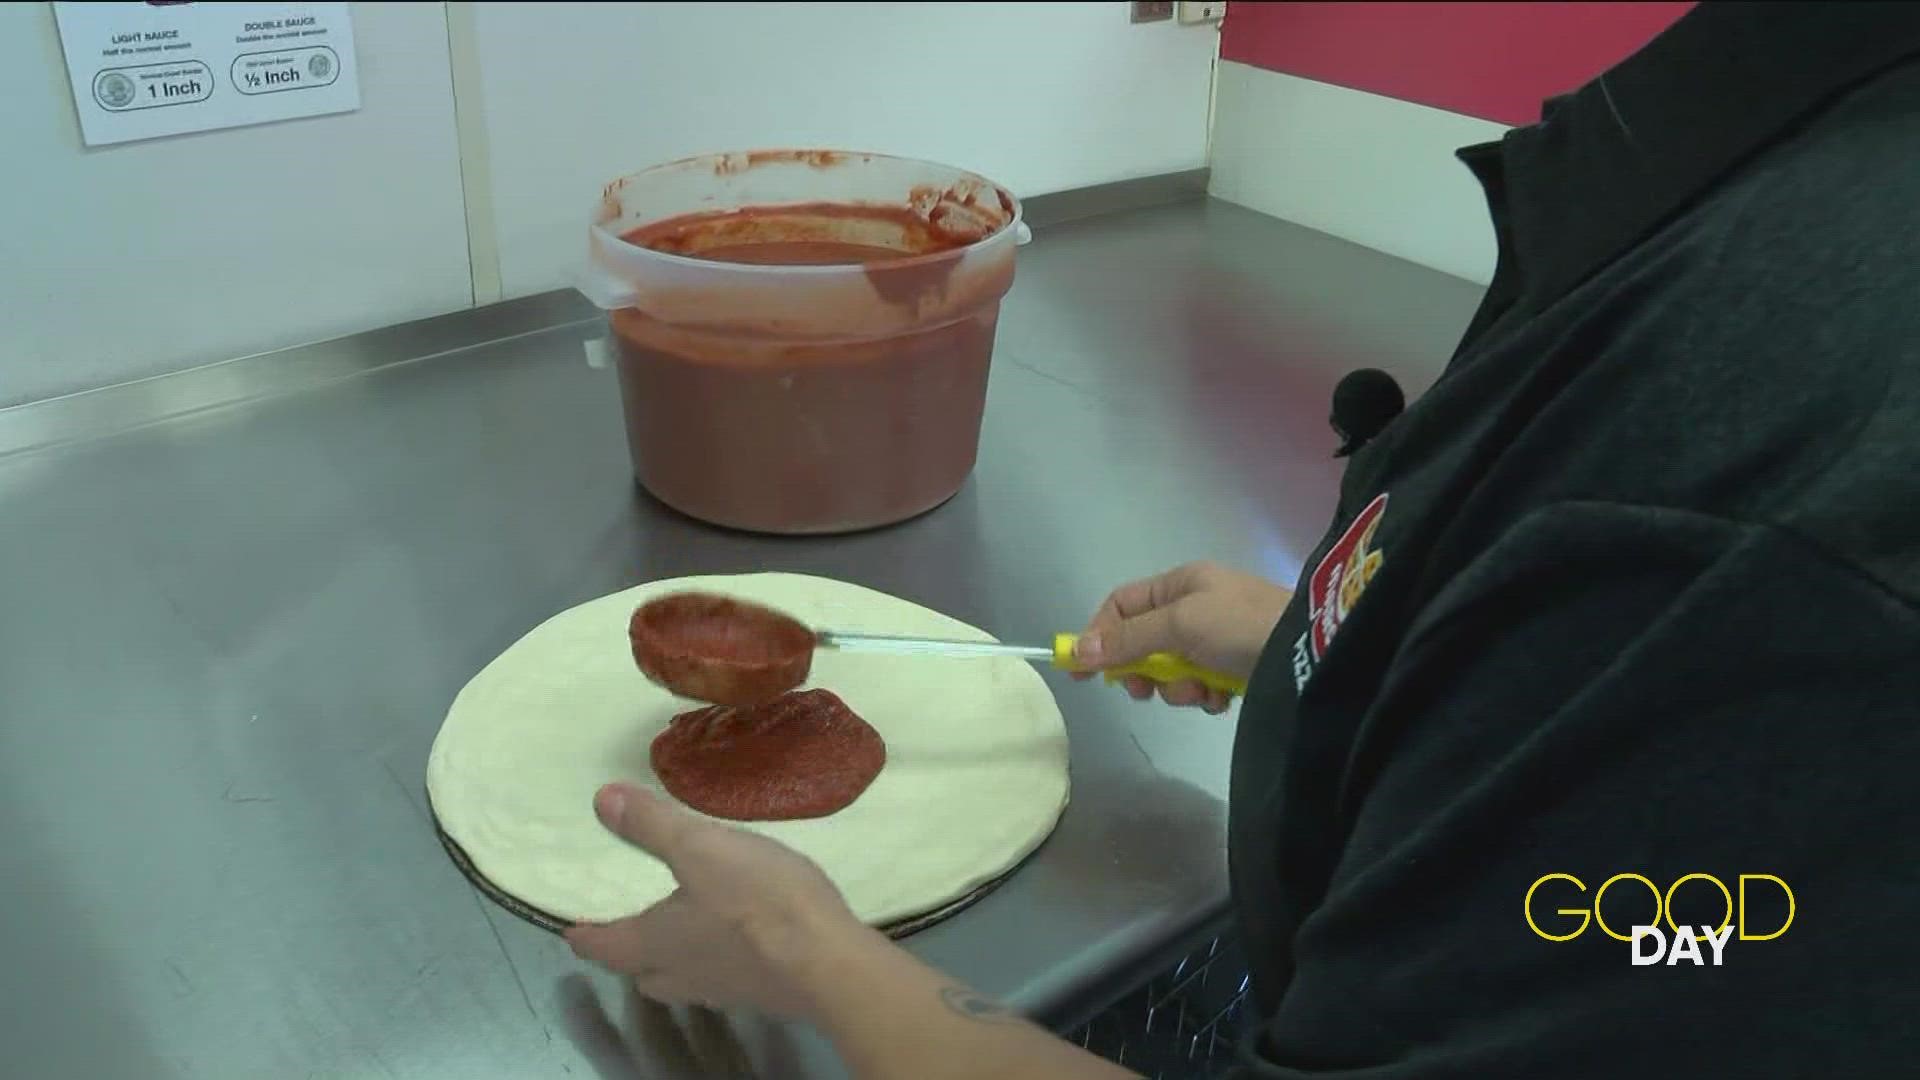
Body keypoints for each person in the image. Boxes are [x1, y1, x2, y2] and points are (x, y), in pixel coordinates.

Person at [566, 3, 1920, 1076]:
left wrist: (806, 955)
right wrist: (1345, 653)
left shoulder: (1795, 423)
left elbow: (1689, 876)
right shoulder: (1773, 131)